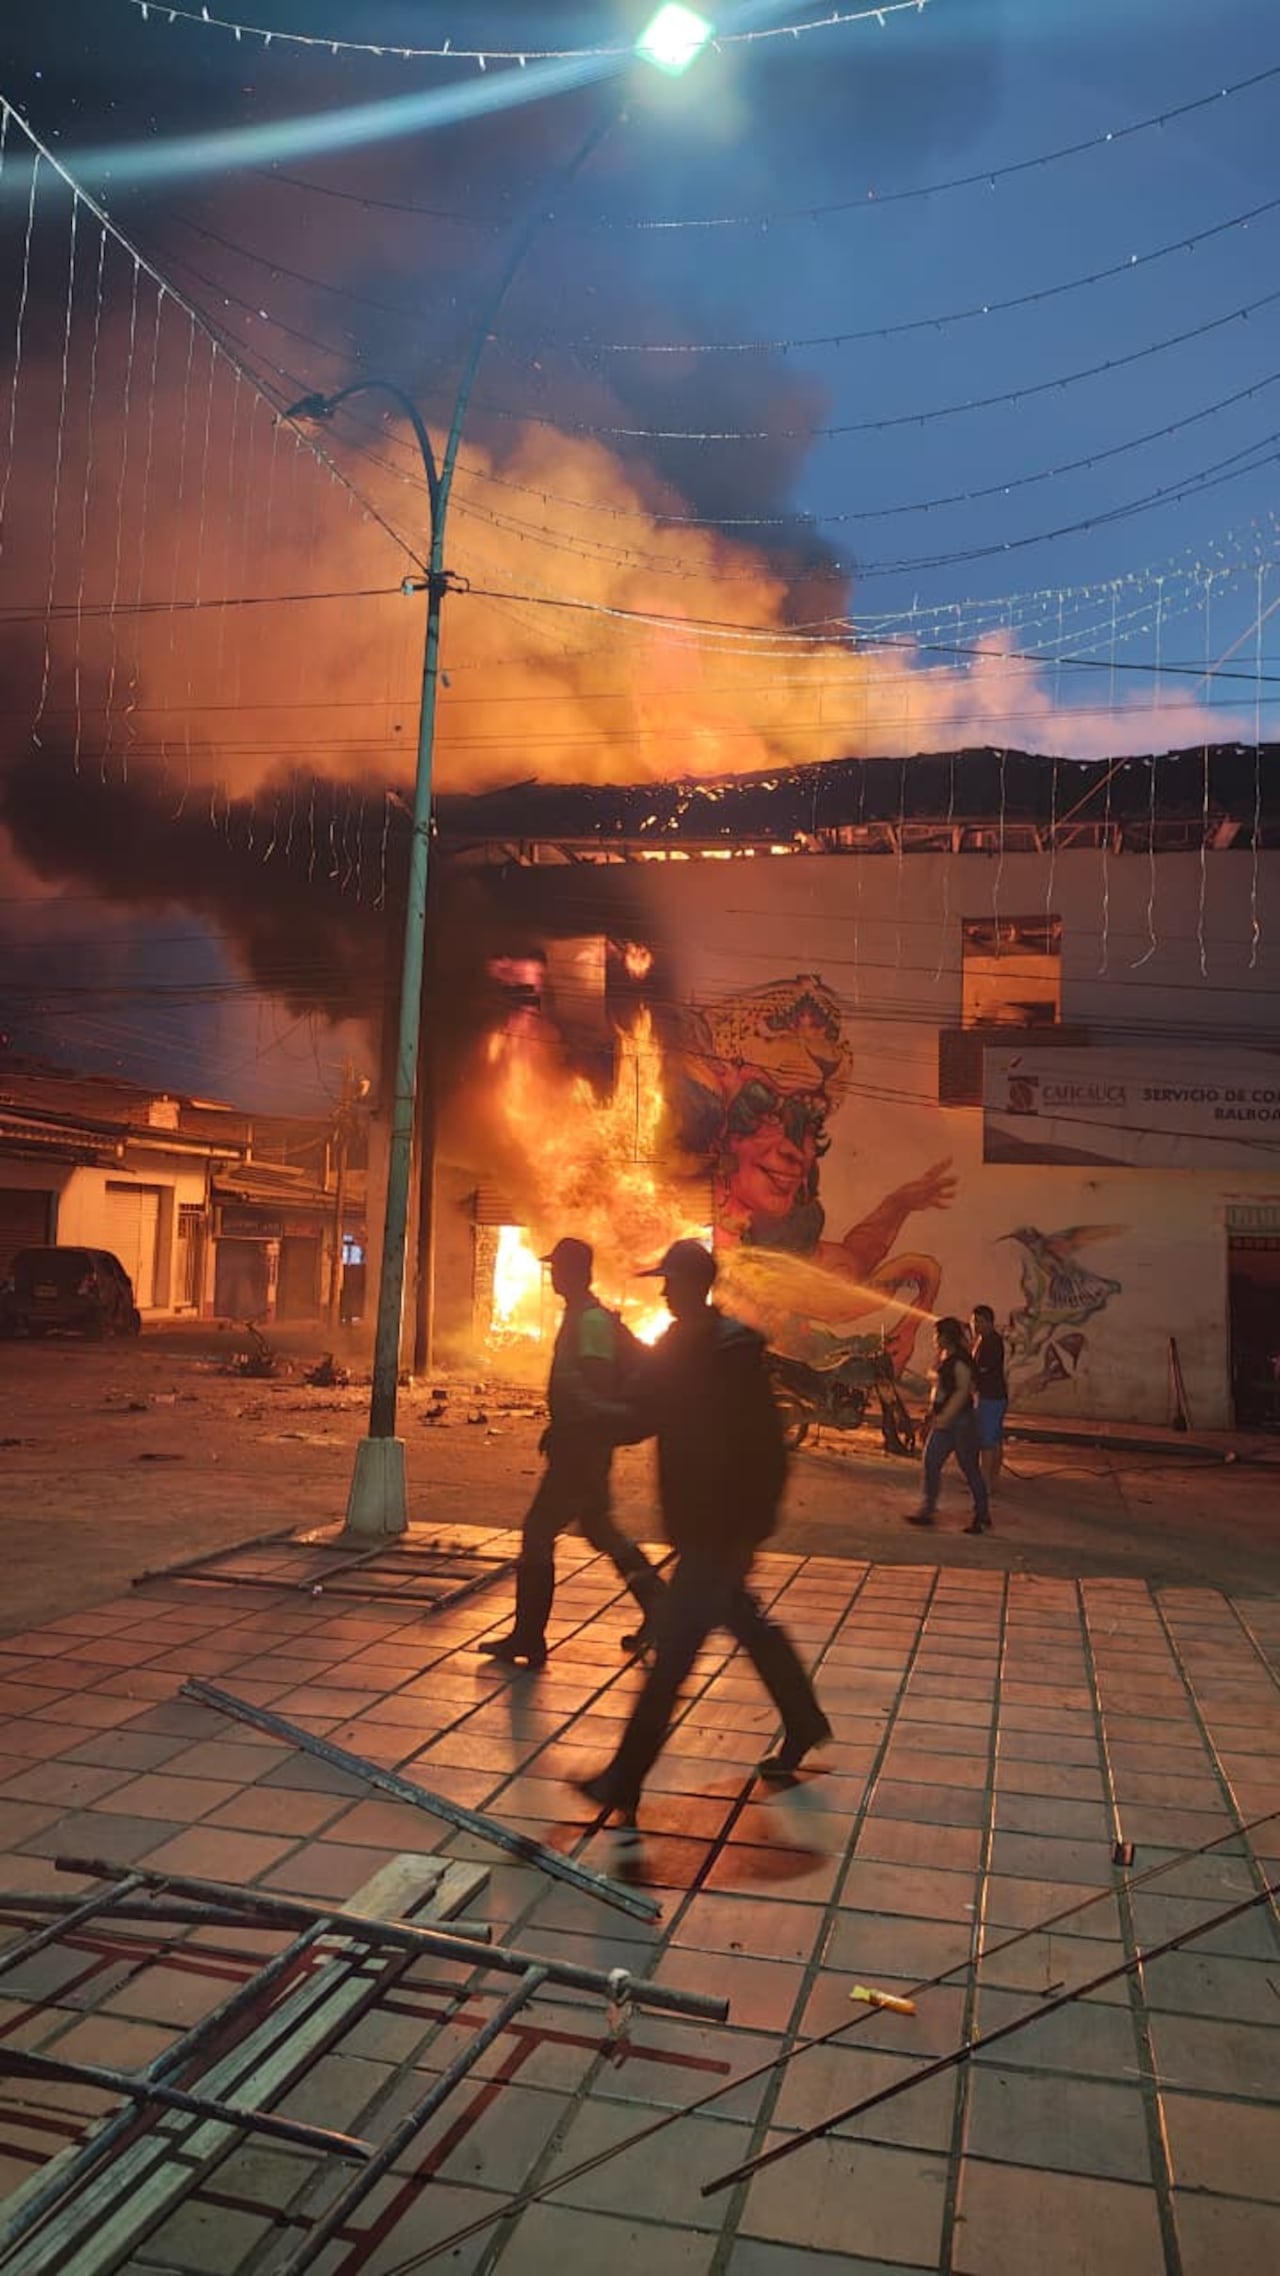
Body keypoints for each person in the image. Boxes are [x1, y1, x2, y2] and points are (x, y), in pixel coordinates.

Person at [571, 1238, 831, 1830]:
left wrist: (586, 1418)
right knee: (746, 1623)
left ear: (691, 1285)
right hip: (722, 1523)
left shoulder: (693, 1347)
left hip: (715, 1526)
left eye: (670, 1281)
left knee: (671, 1656)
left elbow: (641, 1413)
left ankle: (625, 1779)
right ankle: (805, 1720)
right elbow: (678, 1415)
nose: (663, 1291)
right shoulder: (723, 1347)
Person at [479, 1236, 663, 1671]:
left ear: (576, 1272)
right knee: (601, 1530)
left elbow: (594, 1385)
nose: (553, 1275)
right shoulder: (580, 1316)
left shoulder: (592, 1321)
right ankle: (661, 1610)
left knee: (538, 1531)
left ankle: (529, 1636)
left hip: (582, 1447)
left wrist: (574, 1434)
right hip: (579, 1442)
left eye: (558, 1267)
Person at [906, 1315, 991, 1535]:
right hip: (944, 1421)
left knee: (970, 1468)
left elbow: (963, 1392)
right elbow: (940, 1388)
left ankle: (982, 1514)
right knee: (931, 1461)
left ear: (946, 1336)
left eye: (937, 1334)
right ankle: (927, 1509)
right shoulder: (946, 1357)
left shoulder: (960, 1361)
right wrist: (932, 1414)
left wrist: (945, 1417)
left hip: (960, 1422)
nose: (934, 1339)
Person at [969, 1302, 1008, 1497]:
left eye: (979, 1321)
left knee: (987, 1442)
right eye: (974, 1321)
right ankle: (993, 1480)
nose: (975, 1325)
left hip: (991, 1398)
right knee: (994, 1439)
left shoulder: (991, 1342)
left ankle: (985, 1484)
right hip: (992, 1396)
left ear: (990, 1322)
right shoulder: (982, 1340)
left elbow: (980, 1370)